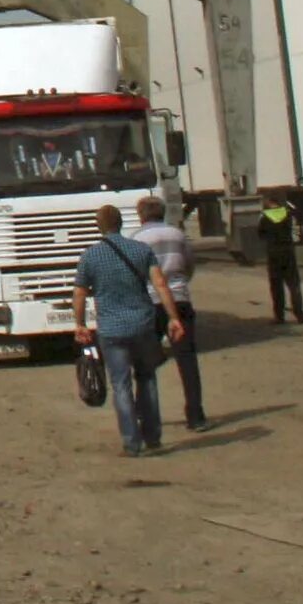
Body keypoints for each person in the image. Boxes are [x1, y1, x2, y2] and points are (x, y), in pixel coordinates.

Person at [71, 203, 187, 459]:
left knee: (121, 385)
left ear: (98, 226)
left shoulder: (90, 256)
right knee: (147, 379)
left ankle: (131, 443)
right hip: (143, 325)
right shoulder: (140, 249)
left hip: (111, 330)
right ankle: (153, 436)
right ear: (122, 223)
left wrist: (79, 324)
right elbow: (160, 284)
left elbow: (79, 293)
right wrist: (173, 317)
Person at [129, 194, 207, 430]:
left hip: (150, 302)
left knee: (144, 361)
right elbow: (189, 264)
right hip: (179, 298)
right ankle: (195, 416)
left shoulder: (136, 239)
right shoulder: (177, 234)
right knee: (187, 359)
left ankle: (144, 411)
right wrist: (180, 283)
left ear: (141, 215)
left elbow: (136, 272)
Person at [260, 190, 303, 324]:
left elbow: (261, 234)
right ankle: (300, 314)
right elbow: (294, 230)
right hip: (288, 252)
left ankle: (279, 316)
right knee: (294, 285)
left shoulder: (265, 218)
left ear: (269, 203)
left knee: (276, 287)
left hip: (273, 254)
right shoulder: (288, 215)